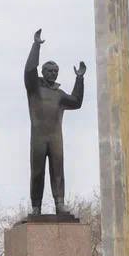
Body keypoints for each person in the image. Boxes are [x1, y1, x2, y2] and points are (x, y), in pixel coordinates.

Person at [24, 29, 86, 216]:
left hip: (55, 137)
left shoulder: (59, 95)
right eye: (49, 71)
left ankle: (60, 203)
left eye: (55, 71)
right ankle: (36, 206)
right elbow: (29, 70)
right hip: (38, 137)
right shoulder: (35, 89)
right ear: (43, 72)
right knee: (37, 172)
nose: (52, 73)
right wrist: (36, 46)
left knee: (57, 171)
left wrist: (79, 79)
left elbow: (76, 102)